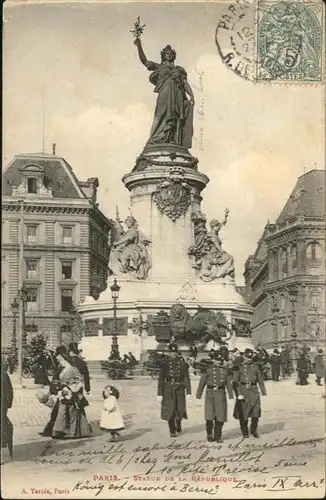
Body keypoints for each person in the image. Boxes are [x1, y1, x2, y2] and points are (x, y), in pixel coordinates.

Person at [134, 38, 195, 149]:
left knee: (175, 117)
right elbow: (145, 61)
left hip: (178, 96)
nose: (169, 55)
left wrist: (191, 95)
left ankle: (172, 140)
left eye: (171, 54)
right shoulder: (159, 66)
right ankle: (155, 139)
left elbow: (185, 83)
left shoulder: (179, 70)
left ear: (173, 56)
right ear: (163, 55)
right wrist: (139, 46)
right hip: (165, 94)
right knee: (161, 114)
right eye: (167, 54)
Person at [196, 350, 233, 443]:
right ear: (213, 360)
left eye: (221, 360)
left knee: (220, 416)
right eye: (217, 359)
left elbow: (228, 383)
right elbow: (202, 382)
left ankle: (218, 435)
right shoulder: (208, 370)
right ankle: (209, 434)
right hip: (210, 393)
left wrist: (231, 395)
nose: (220, 361)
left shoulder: (224, 371)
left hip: (220, 394)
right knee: (209, 415)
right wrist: (198, 395)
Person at [51, 353, 91, 439]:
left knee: (71, 413)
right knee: (63, 412)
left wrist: (73, 389)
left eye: (60, 359)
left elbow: (80, 380)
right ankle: (59, 430)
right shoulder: (64, 369)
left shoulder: (73, 369)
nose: (59, 361)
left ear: (65, 359)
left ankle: (71, 432)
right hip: (63, 392)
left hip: (71, 393)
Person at [157, 343, 191, 438]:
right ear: (169, 353)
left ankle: (178, 421)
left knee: (180, 408)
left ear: (177, 353)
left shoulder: (183, 364)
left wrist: (188, 392)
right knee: (170, 409)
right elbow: (161, 379)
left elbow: (186, 378)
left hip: (179, 388)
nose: (173, 354)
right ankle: (172, 430)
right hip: (168, 389)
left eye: (175, 352)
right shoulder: (165, 364)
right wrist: (160, 394)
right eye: (171, 352)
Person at [233, 348, 267, 438]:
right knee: (244, 413)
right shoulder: (239, 367)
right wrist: (238, 393)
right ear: (244, 356)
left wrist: (263, 391)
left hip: (254, 390)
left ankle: (253, 430)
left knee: (255, 413)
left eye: (251, 354)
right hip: (244, 391)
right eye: (248, 355)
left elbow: (260, 380)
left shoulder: (255, 367)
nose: (250, 357)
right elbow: (235, 382)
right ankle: (244, 431)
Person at [1, 362, 14, 462]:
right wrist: (8, 404)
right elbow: (9, 391)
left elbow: (9, 391)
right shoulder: (4, 374)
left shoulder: (4, 375)